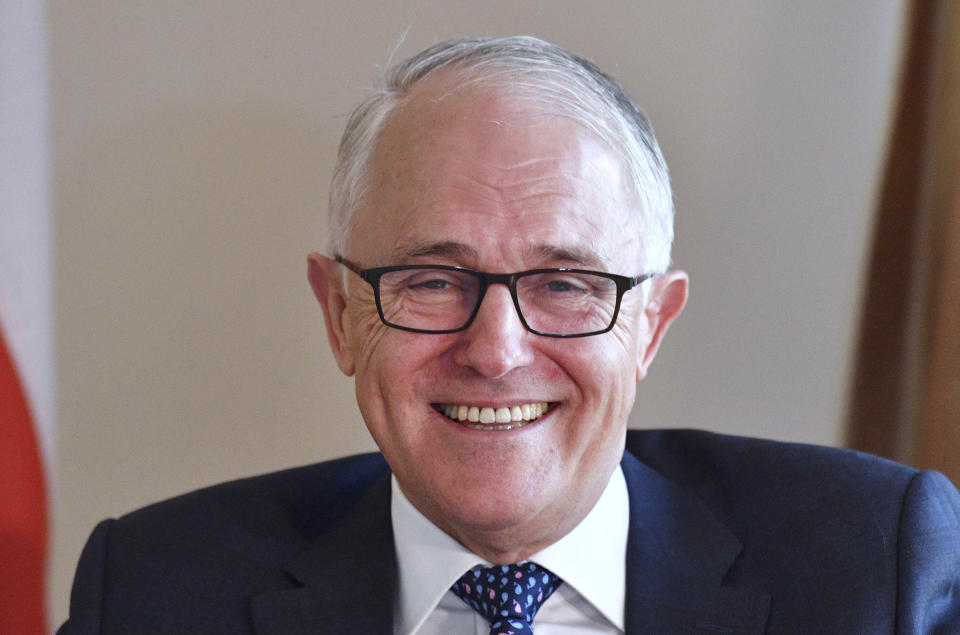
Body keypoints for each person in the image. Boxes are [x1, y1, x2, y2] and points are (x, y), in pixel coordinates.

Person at [59, 36, 959, 634]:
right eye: (430, 280)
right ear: (340, 314)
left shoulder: (875, 569)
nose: (495, 350)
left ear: (650, 324)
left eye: (565, 283)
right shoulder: (150, 593)